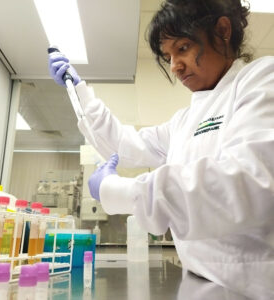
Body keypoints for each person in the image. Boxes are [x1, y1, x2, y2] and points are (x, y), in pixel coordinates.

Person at [48, 0, 274, 298]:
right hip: (202, 282)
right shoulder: (184, 120)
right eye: (168, 55)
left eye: (182, 48)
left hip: (253, 287)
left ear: (222, 31)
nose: (174, 65)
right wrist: (79, 94)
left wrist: (120, 191)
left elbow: (247, 182)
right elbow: (126, 146)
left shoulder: (261, 80)